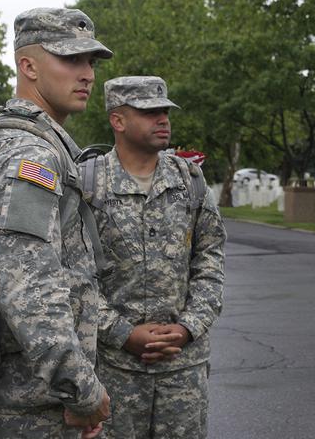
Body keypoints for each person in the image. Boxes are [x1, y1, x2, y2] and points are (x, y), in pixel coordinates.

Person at [0, 7, 112, 438]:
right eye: (71, 59)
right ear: (27, 66)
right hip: (26, 412)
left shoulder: (35, 146)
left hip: (35, 403)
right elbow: (26, 287)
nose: (87, 73)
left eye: (90, 62)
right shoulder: (28, 156)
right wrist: (82, 392)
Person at [84, 76, 226, 438]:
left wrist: (187, 327)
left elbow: (210, 259)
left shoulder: (190, 179)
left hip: (183, 369)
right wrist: (122, 333)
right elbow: (73, 275)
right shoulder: (88, 184)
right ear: (118, 121)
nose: (163, 119)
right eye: (149, 112)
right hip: (115, 369)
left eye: (164, 111)